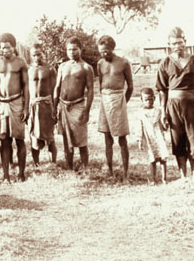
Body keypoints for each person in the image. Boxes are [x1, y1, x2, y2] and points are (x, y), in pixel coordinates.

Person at [156, 27, 194, 180]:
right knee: (177, 139)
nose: (177, 46)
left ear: (185, 42)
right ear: (169, 44)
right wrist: (163, 112)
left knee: (193, 139)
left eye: (180, 43)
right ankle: (183, 175)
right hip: (173, 106)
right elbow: (162, 90)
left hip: (192, 104)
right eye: (173, 43)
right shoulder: (165, 62)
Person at [0, 33, 30, 182]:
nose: (5, 50)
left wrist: (26, 107)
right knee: (4, 140)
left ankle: (21, 173)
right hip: (1, 103)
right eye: (2, 48)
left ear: (13, 47)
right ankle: (6, 175)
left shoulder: (21, 62)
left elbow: (26, 86)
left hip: (17, 103)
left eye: (8, 47)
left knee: (19, 140)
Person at [53, 37, 95, 172]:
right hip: (63, 106)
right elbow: (57, 87)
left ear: (80, 50)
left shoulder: (86, 67)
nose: (72, 52)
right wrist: (54, 107)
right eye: (69, 49)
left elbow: (90, 91)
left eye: (75, 49)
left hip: (78, 106)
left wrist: (86, 111)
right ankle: (70, 168)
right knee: (67, 140)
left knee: (82, 141)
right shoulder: (62, 66)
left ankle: (85, 169)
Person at [97, 35, 134, 182]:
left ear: (112, 48)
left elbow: (130, 86)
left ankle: (125, 173)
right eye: (101, 51)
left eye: (106, 51)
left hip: (119, 99)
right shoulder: (100, 63)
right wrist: (105, 97)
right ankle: (110, 171)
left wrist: (123, 102)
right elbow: (101, 84)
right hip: (105, 99)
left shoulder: (124, 63)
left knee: (122, 138)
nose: (104, 54)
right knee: (107, 137)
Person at [28, 44, 57, 166]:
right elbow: (25, 90)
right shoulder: (28, 70)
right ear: (31, 55)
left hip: (47, 105)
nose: (36, 57)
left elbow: (55, 89)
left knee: (50, 137)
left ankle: (53, 162)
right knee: (34, 136)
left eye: (39, 54)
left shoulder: (50, 69)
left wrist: (55, 108)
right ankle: (36, 164)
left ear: (43, 53)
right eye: (34, 55)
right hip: (34, 105)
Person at [138, 87, 169, 184]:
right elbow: (140, 127)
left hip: (159, 137)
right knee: (152, 159)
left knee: (163, 158)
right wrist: (139, 140)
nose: (148, 101)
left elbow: (163, 125)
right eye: (145, 100)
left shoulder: (158, 111)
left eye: (150, 99)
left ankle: (164, 178)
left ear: (154, 98)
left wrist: (166, 124)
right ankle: (152, 179)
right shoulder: (141, 113)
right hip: (149, 138)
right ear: (142, 100)